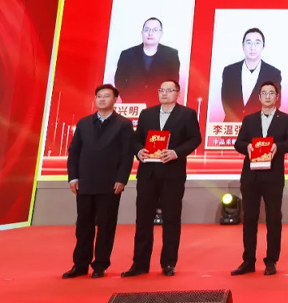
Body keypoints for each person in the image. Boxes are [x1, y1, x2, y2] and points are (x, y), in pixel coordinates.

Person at [122, 80, 202, 278]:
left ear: (178, 93)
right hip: (148, 173)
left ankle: (168, 263)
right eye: (161, 90)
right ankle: (139, 264)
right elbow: (136, 138)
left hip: (172, 173)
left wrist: (176, 152)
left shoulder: (187, 114)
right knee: (143, 219)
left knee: (171, 218)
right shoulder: (147, 114)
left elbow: (195, 139)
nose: (164, 93)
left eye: (169, 90)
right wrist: (139, 151)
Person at [62, 84, 134, 279]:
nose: (102, 99)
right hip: (85, 182)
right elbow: (74, 152)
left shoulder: (123, 124)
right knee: (83, 225)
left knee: (106, 225)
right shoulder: (84, 123)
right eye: (99, 96)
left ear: (115, 100)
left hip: (110, 184)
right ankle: (80, 265)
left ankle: (100, 264)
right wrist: (73, 177)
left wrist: (121, 179)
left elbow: (127, 155)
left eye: (106, 96)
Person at [232, 81, 288, 276]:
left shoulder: (286, 120)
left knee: (273, 218)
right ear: (259, 97)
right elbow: (238, 143)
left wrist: (278, 147)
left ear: (277, 97)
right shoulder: (249, 120)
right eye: (264, 93)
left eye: (271, 93)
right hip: (251, 176)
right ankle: (248, 260)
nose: (268, 96)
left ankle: (271, 260)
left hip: (273, 176)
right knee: (249, 218)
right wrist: (246, 147)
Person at [114, 17, 180, 107]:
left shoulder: (171, 55)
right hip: (132, 104)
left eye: (155, 30)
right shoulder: (127, 54)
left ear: (161, 33)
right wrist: (128, 98)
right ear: (142, 32)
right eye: (147, 30)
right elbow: (119, 80)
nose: (150, 33)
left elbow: (174, 81)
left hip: (159, 104)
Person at [221, 28, 283, 122]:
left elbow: (275, 102)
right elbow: (226, 100)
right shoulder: (229, 71)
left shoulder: (273, 73)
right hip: (232, 126)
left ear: (263, 46)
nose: (253, 47)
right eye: (249, 42)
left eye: (257, 43)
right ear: (243, 46)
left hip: (262, 125)